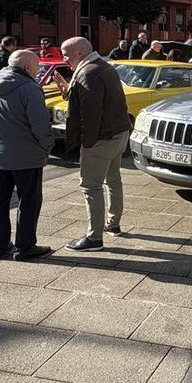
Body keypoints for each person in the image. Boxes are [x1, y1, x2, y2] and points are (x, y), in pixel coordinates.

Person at [0, 49, 54, 261]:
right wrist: (47, 147)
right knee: (28, 202)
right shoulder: (30, 89)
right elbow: (41, 127)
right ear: (28, 67)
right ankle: (25, 246)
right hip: (26, 157)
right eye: (38, 67)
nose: (38, 71)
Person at [62, 36, 132, 250]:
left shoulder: (87, 72)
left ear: (80, 53)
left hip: (101, 138)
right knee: (113, 180)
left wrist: (87, 144)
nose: (64, 59)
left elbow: (90, 114)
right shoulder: (103, 66)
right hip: (118, 134)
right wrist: (69, 93)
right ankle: (113, 225)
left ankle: (94, 238)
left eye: (66, 54)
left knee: (90, 186)